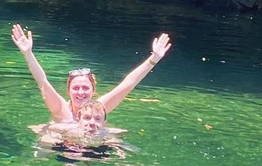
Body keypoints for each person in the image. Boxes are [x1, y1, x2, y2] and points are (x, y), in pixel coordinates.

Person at [11, 23, 171, 123]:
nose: (81, 92)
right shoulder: (60, 108)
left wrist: (154, 58)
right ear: (68, 91)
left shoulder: (99, 108)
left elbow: (128, 84)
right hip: (62, 148)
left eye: (86, 88)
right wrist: (28, 53)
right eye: (76, 88)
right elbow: (42, 81)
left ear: (93, 91)